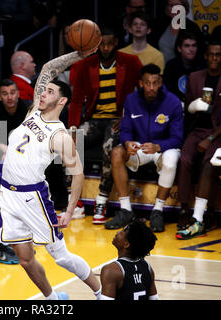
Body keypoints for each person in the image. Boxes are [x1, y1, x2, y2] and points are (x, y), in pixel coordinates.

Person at [0, 48, 102, 300]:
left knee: (62, 257)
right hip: (7, 194)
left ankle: (102, 293)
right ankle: (52, 299)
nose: (43, 93)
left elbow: (78, 173)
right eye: (43, 91)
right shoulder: (33, 110)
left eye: (50, 92)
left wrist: (69, 210)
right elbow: (47, 69)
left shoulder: (60, 135)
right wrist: (80, 53)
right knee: (24, 259)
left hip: (32, 197)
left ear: (63, 101)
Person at [69, 26, 143, 225]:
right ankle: (74, 200)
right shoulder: (86, 65)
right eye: (103, 43)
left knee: (109, 146)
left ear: (116, 43)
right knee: (68, 144)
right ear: (97, 44)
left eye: (110, 43)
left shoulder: (131, 62)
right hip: (94, 119)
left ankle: (101, 200)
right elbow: (76, 101)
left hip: (117, 118)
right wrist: (73, 129)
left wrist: (128, 117)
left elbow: (141, 92)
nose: (106, 47)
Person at [107, 63, 183, 232]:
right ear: (141, 83)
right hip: (141, 147)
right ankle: (126, 209)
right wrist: (127, 143)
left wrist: (158, 146)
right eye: (147, 83)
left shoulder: (173, 102)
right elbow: (125, 130)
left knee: (171, 160)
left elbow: (178, 139)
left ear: (160, 83)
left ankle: (157, 211)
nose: (151, 88)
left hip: (164, 147)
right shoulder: (131, 100)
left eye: (155, 83)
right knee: (117, 152)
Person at [176, 41, 221, 238]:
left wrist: (211, 138)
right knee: (185, 159)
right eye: (211, 55)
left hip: (220, 131)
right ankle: (183, 209)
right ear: (205, 56)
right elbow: (188, 108)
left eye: (218, 55)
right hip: (198, 128)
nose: (214, 58)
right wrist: (192, 106)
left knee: (208, 161)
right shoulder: (195, 77)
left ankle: (210, 213)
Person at [100, 219, 158, 300]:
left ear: (126, 244)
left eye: (123, 231)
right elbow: (154, 298)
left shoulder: (111, 270)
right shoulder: (147, 268)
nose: (118, 232)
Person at [155, 0, 205, 65]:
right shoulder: (160, 26)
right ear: (167, 8)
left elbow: (200, 53)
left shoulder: (192, 27)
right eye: (171, 5)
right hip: (160, 71)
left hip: (184, 71)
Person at [163, 31, 206, 103]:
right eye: (187, 46)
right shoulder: (171, 66)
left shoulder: (203, 66)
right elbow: (167, 91)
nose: (191, 49)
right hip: (175, 104)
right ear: (179, 49)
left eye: (194, 45)